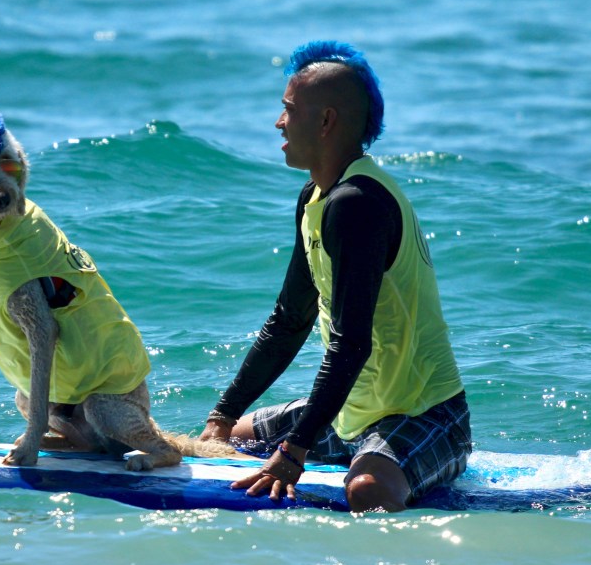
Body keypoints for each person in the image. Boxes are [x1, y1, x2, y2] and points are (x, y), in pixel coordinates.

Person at [200, 40, 471, 512]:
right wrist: (222, 416)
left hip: (426, 415)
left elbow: (352, 343)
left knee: (368, 493)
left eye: (288, 110)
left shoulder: (359, 204)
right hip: (351, 415)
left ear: (326, 121)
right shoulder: (315, 199)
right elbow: (289, 320)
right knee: (231, 445)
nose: (278, 122)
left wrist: (293, 451)